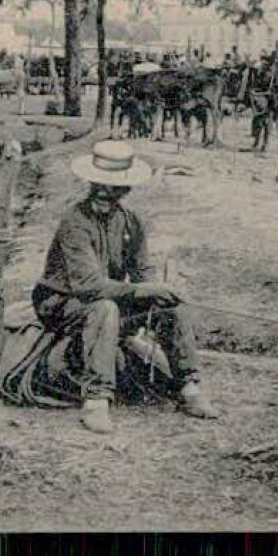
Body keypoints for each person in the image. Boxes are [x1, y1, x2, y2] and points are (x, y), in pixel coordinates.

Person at [33, 140, 217, 433]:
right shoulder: (74, 221)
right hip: (62, 302)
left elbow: (142, 271)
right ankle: (96, 399)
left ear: (127, 189)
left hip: (107, 298)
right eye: (101, 185)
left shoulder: (131, 222)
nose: (107, 193)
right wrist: (141, 292)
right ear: (90, 183)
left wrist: (158, 290)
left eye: (117, 187)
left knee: (171, 307)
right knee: (104, 309)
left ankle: (189, 387)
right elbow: (87, 286)